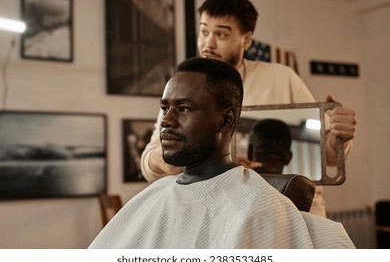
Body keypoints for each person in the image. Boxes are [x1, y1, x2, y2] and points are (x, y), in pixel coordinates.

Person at [89, 57, 354, 249]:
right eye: (165, 108)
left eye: (183, 109)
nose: (166, 121)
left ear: (227, 120)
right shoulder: (152, 196)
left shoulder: (257, 208)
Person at [140, 0, 357, 217]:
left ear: (246, 39)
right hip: (220, 213)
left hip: (293, 211)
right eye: (204, 31)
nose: (208, 43)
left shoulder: (282, 78)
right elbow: (149, 163)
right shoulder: (184, 88)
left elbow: (326, 156)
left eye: (221, 34)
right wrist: (176, 160)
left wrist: (337, 138)